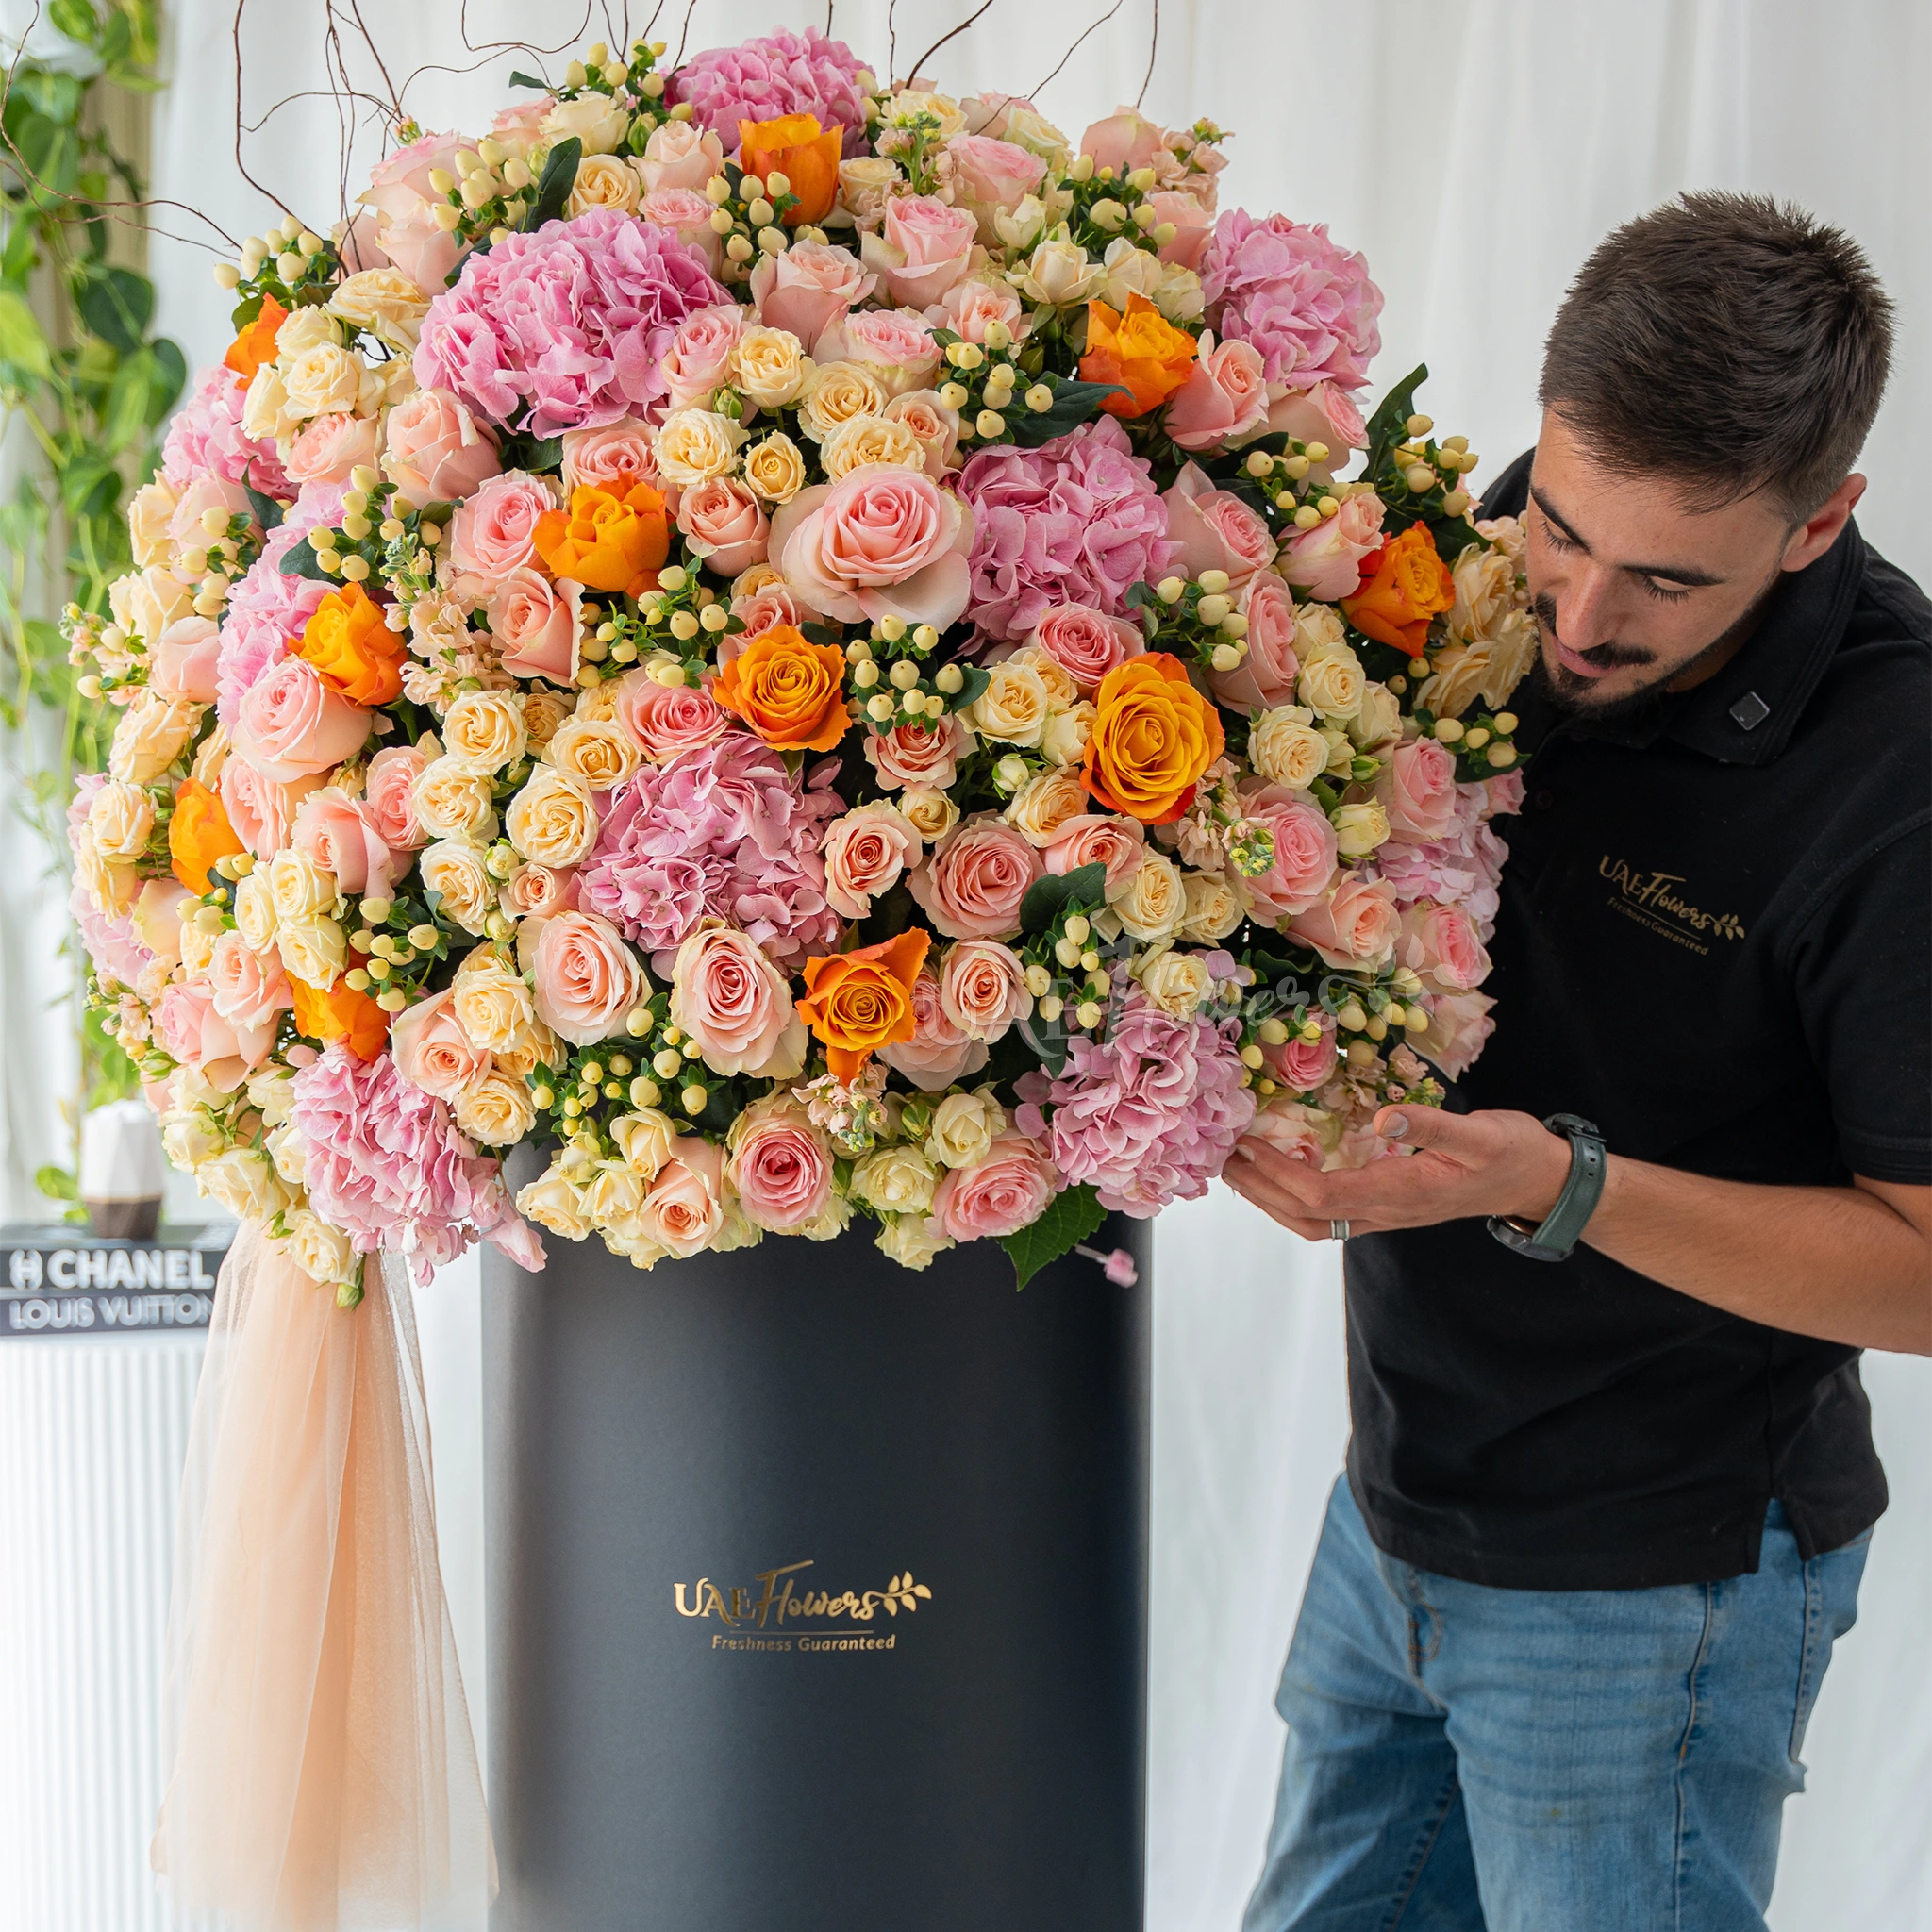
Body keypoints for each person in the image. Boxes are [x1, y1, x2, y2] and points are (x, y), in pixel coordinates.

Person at [1228, 192, 1932, 1932]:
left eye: (1666, 578)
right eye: (1560, 529)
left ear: (1819, 520)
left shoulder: (1900, 781)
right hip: (1395, 1500)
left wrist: (1561, 1181)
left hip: (1658, 1581)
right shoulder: (1493, 552)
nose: (1585, 616)